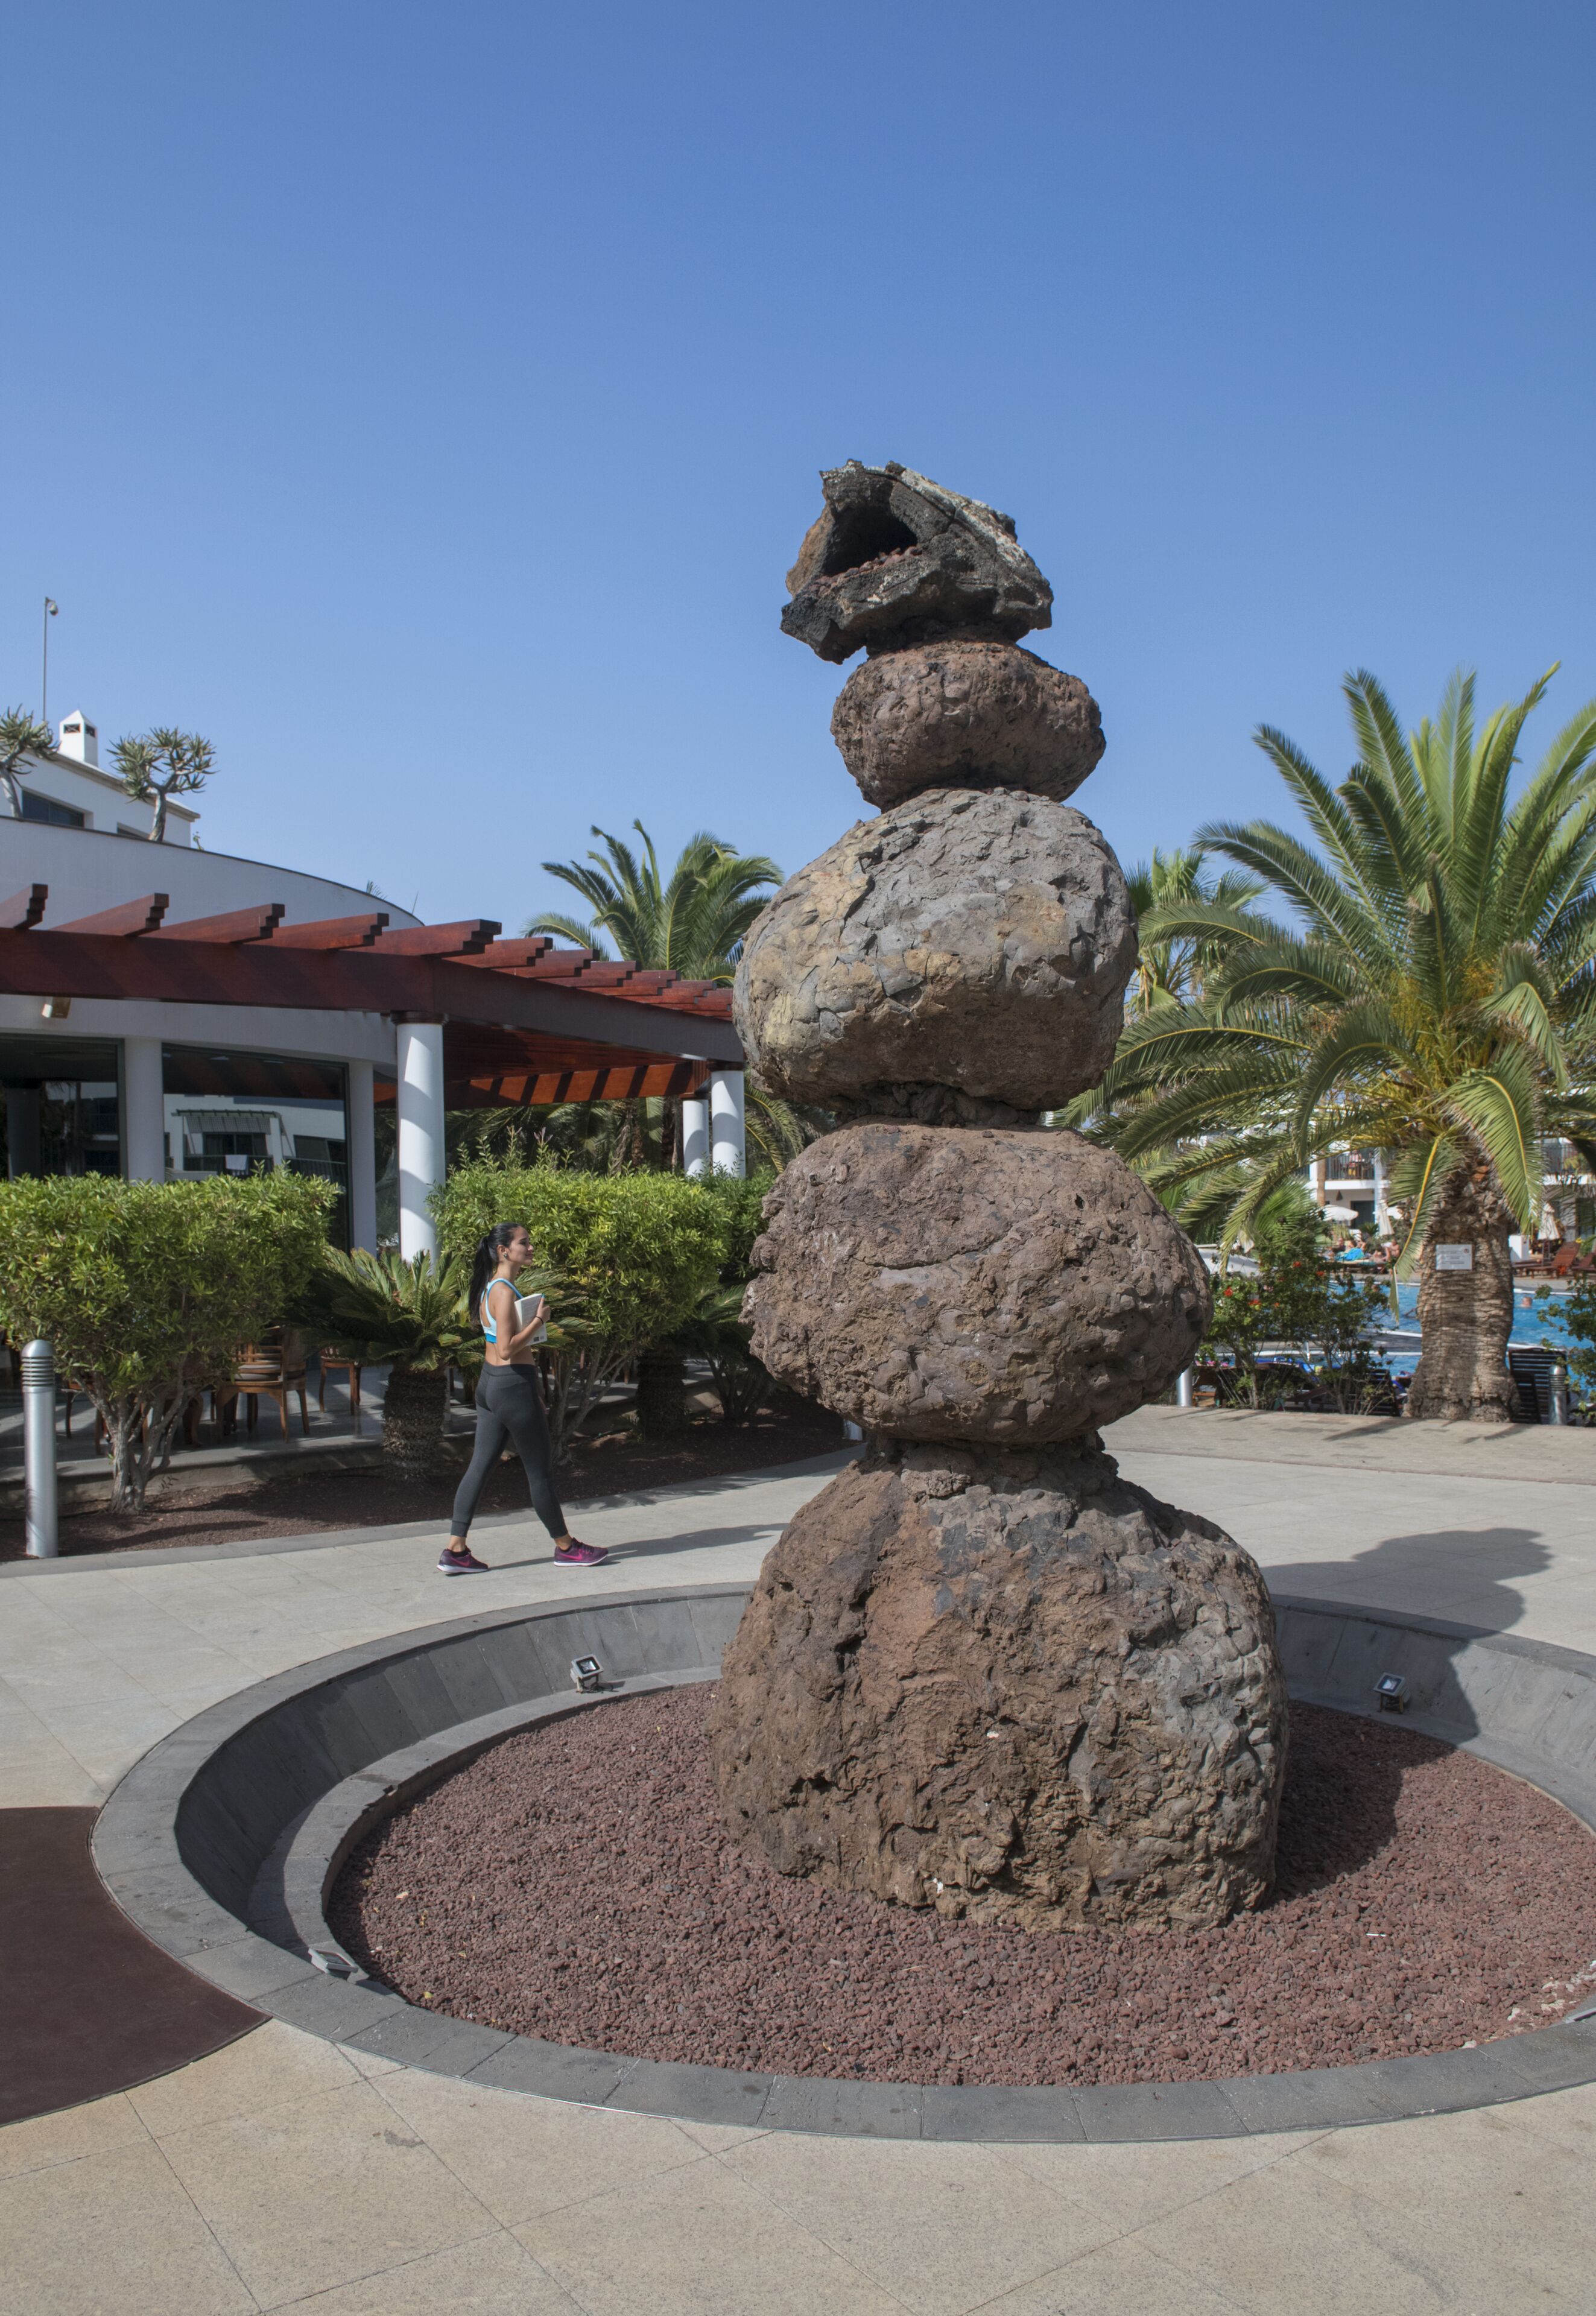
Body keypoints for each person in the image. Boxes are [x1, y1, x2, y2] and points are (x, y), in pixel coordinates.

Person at [439, 1221, 606, 1575]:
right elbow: (506, 1348)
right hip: (511, 1385)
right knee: (540, 1473)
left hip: (493, 1385)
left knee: (480, 1467)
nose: (530, 1248)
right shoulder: (503, 1291)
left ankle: (455, 1550)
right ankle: (566, 1548)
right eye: (524, 1243)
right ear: (504, 1251)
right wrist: (539, 1321)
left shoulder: (491, 1287)